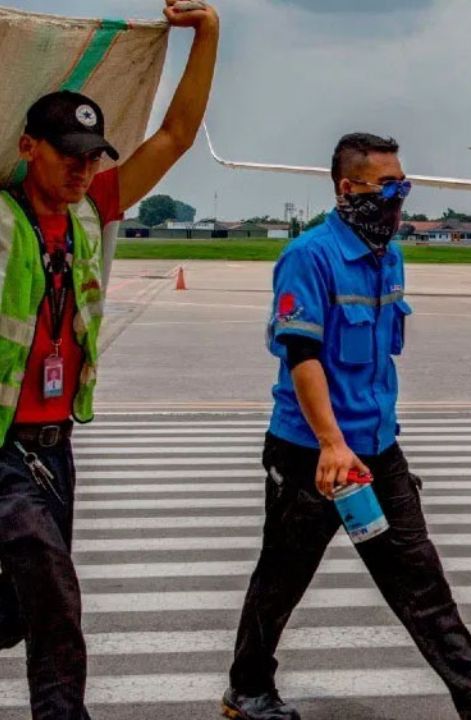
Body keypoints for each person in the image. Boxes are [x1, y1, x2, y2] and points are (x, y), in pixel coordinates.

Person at [223, 133, 471, 720]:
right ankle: (248, 689)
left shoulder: (389, 257)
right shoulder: (310, 256)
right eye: (386, 187)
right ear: (347, 189)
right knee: (282, 577)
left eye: (403, 187)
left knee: (417, 571)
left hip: (377, 449)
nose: (397, 199)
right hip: (312, 454)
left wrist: (374, 439)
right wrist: (331, 443)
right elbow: (302, 356)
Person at [0, 2, 220, 717]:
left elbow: (177, 135)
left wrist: (209, 34)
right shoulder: (1, 216)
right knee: (56, 600)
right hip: (3, 449)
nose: (83, 167)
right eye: (69, 152)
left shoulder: (92, 209)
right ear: (27, 146)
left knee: (19, 607)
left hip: (54, 447)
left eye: (93, 155)